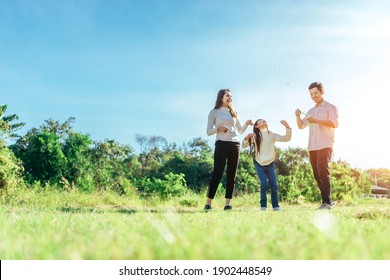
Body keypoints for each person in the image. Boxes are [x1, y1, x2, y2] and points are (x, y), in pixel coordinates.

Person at [205, 89, 253, 211]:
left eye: (231, 96)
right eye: (228, 96)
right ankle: (208, 203)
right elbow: (208, 131)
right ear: (221, 97)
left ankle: (227, 204)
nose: (230, 98)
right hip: (221, 143)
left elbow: (240, 131)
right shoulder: (214, 112)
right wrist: (218, 128)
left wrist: (247, 123)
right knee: (218, 172)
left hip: (235, 144)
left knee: (232, 175)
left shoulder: (234, 113)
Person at [295, 82, 339, 209]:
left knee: (323, 171)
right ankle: (325, 201)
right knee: (316, 174)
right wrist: (298, 116)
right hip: (312, 147)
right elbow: (301, 126)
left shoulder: (330, 107)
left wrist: (316, 120)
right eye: (311, 94)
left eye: (315, 93)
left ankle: (328, 202)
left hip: (325, 144)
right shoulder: (310, 111)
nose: (313, 96)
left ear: (322, 91)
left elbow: (334, 123)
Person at [242, 119, 292, 211]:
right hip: (259, 164)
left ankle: (275, 206)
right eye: (261, 120)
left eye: (264, 120)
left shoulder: (271, 135)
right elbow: (244, 145)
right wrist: (246, 137)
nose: (264, 120)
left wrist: (287, 128)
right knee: (264, 184)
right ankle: (263, 206)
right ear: (257, 126)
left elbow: (286, 138)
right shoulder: (255, 136)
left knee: (274, 185)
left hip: (270, 164)